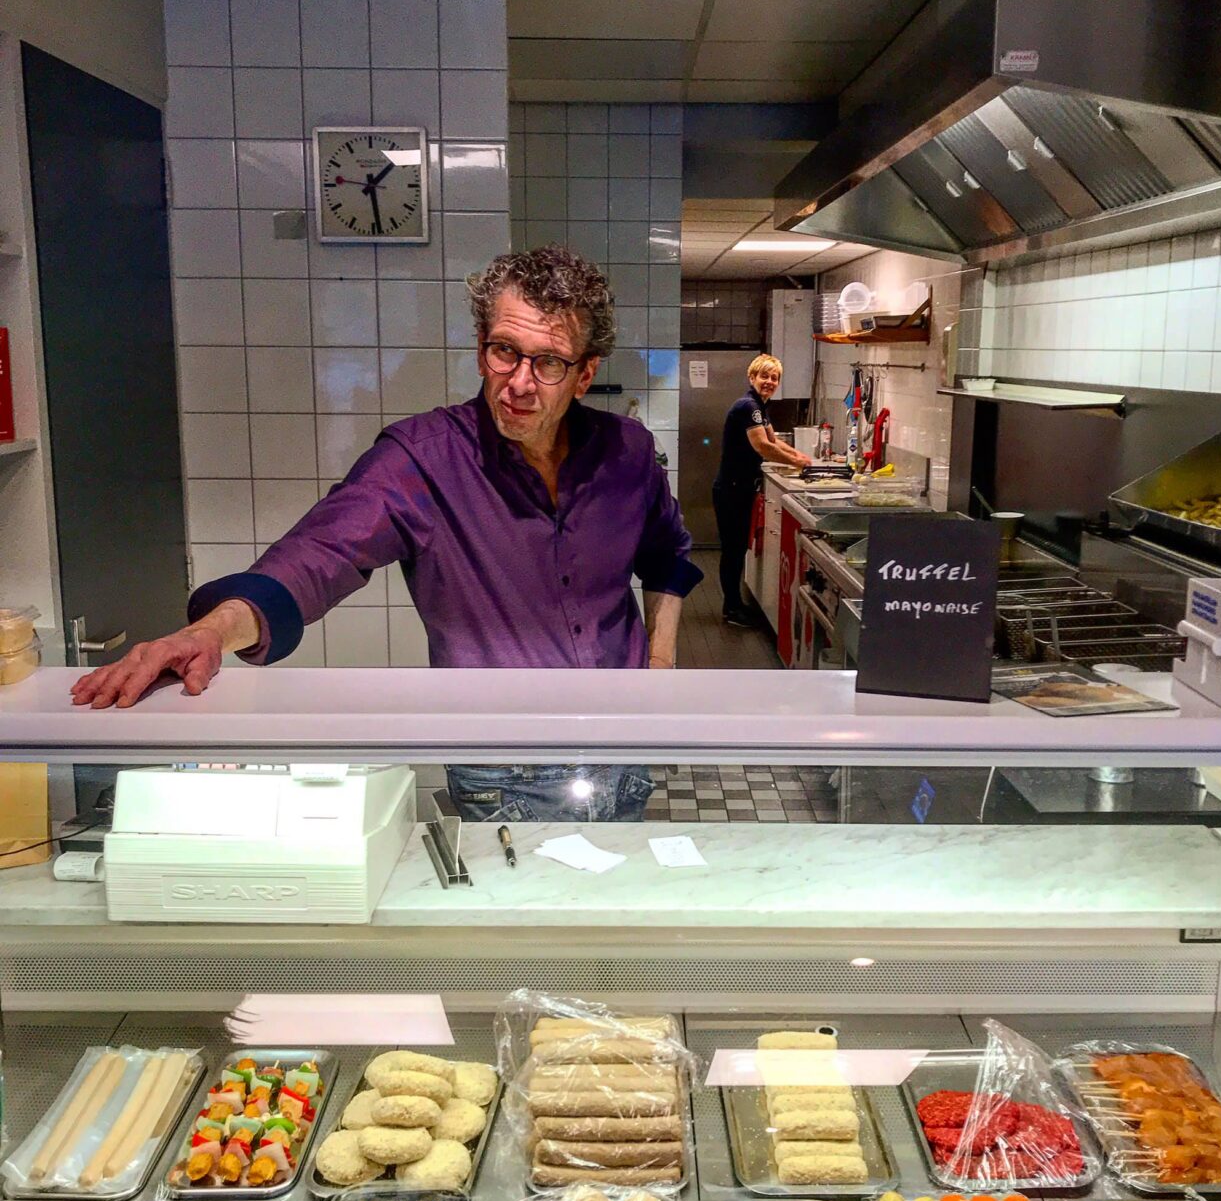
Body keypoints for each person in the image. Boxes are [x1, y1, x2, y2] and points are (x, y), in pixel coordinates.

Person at [70, 245, 702, 821]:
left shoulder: (628, 452)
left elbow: (667, 556)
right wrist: (208, 631)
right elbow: (318, 555)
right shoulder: (421, 457)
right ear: (482, 344)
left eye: (548, 364)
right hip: (501, 758)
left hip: (622, 738)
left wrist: (659, 665)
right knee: (520, 938)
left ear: (585, 374)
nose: (518, 383)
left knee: (613, 926)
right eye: (504, 350)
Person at [712, 353, 811, 628]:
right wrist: (798, 463)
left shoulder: (758, 406)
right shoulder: (748, 406)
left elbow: (774, 441)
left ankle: (734, 605)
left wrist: (804, 459)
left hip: (739, 488)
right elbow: (763, 447)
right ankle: (731, 609)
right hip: (732, 489)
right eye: (764, 376)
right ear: (752, 377)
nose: (769, 381)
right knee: (732, 551)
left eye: (774, 377)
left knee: (737, 548)